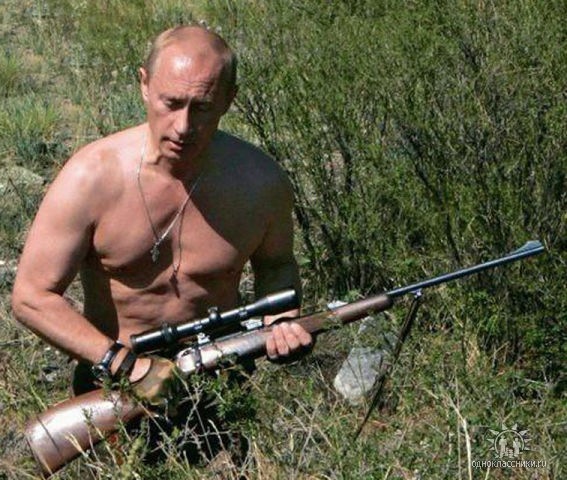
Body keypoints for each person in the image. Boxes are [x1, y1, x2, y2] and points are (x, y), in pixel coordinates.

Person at [11, 25, 312, 461]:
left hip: (219, 387)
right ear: (144, 85)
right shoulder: (91, 177)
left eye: (202, 107)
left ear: (229, 99)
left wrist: (281, 324)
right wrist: (127, 366)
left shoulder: (260, 182)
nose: (183, 126)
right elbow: (30, 297)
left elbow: (277, 266)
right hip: (113, 386)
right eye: (171, 103)